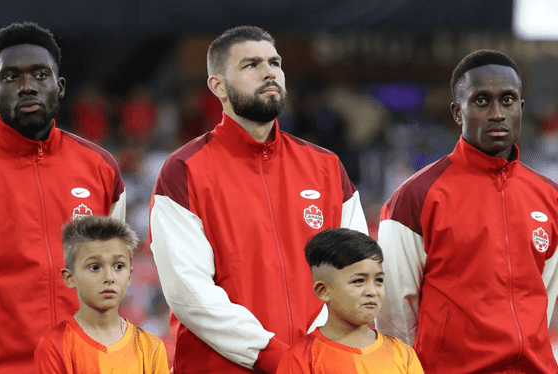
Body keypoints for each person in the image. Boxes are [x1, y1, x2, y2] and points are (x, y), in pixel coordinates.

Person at [149, 25, 368, 374]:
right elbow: (190, 294)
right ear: (218, 86)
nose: (269, 72)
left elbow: (358, 273)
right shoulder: (183, 171)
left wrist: (318, 351)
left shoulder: (327, 167)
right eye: (251, 65)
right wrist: (276, 356)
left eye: (275, 63)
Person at [0, 22, 126, 373]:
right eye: (11, 77)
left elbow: (112, 277)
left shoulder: (101, 168)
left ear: (59, 87)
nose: (27, 86)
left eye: (40, 75)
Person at [375, 49, 558, 373]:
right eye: (482, 101)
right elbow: (394, 316)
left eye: (508, 100)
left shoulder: (549, 197)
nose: (497, 113)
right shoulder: (416, 196)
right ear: (457, 112)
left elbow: (544, 296)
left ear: (521, 108)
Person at [34, 215, 168, 373]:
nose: (109, 277)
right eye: (95, 267)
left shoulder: (151, 347)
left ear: (129, 276)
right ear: (70, 278)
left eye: (118, 266)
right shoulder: (54, 346)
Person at [277, 228, 423, 373]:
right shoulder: (300, 358)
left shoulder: (403, 354)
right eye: (359, 281)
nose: (372, 291)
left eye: (379, 280)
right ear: (323, 290)